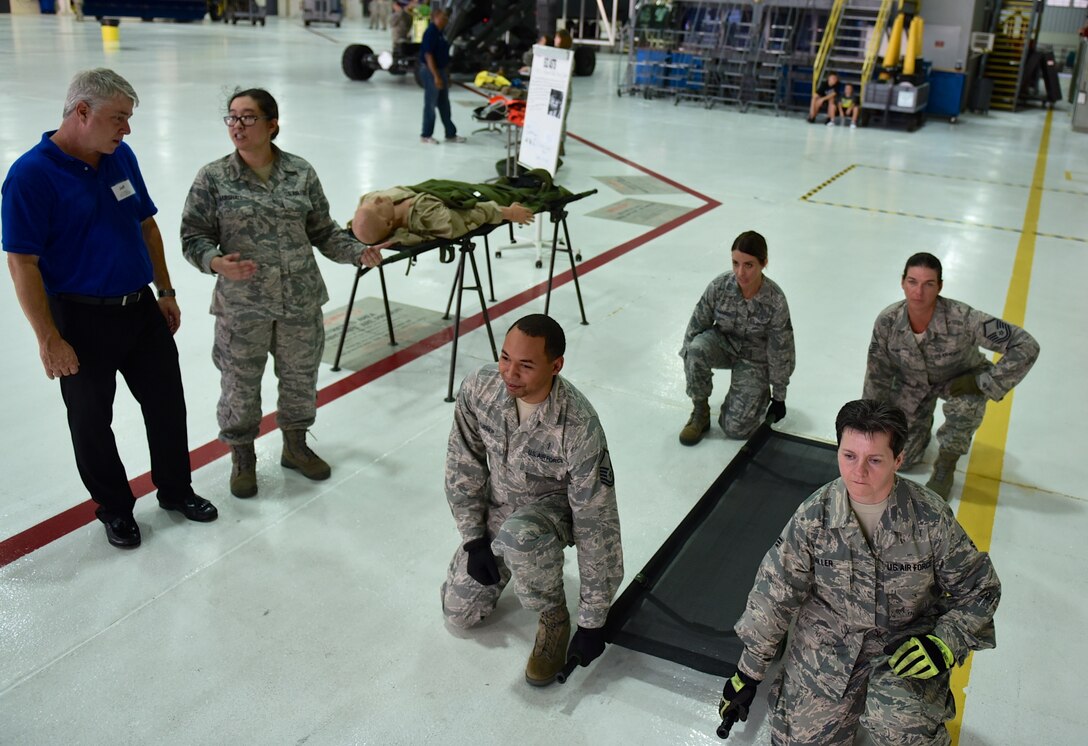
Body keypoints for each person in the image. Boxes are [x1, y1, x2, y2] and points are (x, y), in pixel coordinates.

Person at [1, 68, 218, 549]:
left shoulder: (120, 157)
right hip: (79, 319)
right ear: (82, 112)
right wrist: (48, 338)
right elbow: (22, 263)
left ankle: (176, 490)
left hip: (139, 307)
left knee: (166, 405)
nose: (127, 129)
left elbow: (147, 226)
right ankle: (115, 509)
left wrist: (165, 290)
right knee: (92, 423)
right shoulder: (31, 176)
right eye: (119, 117)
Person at [716, 399, 1001, 745]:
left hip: (904, 644)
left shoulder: (930, 519)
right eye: (849, 455)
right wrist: (748, 671)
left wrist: (944, 643)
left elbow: (981, 591)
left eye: (875, 460)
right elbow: (775, 593)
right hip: (830, 640)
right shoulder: (814, 517)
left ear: (899, 459)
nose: (858, 472)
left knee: (902, 728)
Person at [180, 88, 367, 499]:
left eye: (248, 118)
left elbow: (323, 231)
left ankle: (295, 447)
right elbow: (193, 236)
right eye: (231, 118)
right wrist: (215, 261)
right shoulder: (213, 178)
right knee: (240, 385)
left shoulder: (300, 172)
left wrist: (359, 253)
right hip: (242, 306)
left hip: (300, 300)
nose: (237, 126)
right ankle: (242, 456)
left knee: (300, 379)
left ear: (272, 124)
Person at [442, 314, 623, 686]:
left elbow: (597, 523)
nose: (509, 373)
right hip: (498, 509)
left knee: (519, 537)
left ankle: (553, 616)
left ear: (555, 366)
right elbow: (463, 465)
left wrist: (593, 620)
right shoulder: (480, 389)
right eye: (505, 358)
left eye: (525, 365)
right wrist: (473, 538)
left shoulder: (578, 425)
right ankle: (504, 557)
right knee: (458, 611)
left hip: (547, 518)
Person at [863, 252, 1039, 498]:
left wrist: (983, 383)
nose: (919, 292)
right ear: (902, 282)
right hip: (913, 383)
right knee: (907, 460)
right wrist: (869, 426)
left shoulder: (965, 319)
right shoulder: (888, 321)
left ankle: (945, 465)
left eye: (929, 284)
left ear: (940, 286)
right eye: (912, 282)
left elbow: (1026, 345)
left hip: (959, 380)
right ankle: (921, 429)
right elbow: (877, 373)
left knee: (966, 407)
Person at [678, 230, 795, 445]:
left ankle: (754, 396)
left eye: (748, 265)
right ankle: (700, 412)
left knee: (735, 429)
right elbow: (694, 328)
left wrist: (779, 396)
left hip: (755, 358)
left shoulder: (775, 300)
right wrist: (690, 360)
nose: (740, 272)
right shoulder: (720, 286)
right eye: (735, 263)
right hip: (724, 345)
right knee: (695, 349)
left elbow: (781, 351)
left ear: (764, 263)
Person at [419, 8, 466, 145]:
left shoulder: (441, 33)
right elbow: (428, 55)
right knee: (431, 105)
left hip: (440, 71)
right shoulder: (431, 32)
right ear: (436, 17)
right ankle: (426, 135)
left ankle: (450, 134)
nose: (446, 20)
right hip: (431, 72)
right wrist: (436, 76)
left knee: (444, 104)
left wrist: (445, 74)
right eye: (444, 17)